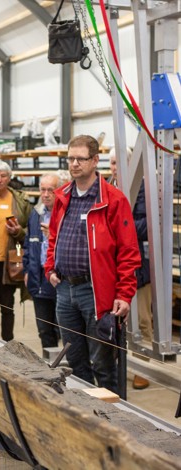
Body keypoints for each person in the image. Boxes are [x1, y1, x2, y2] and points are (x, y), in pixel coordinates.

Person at [44, 135, 140, 394]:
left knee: (103, 362)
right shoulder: (63, 196)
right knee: (74, 359)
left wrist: (124, 293)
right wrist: (50, 267)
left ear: (95, 160)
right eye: (70, 158)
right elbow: (53, 236)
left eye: (80, 159)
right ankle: (86, 414)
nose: (74, 164)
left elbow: (129, 251)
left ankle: (113, 420)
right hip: (65, 290)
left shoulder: (113, 200)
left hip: (96, 293)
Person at [109, 147, 151, 390]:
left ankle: (142, 366)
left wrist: (118, 226)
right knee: (114, 318)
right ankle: (118, 365)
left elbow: (147, 224)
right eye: (113, 163)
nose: (115, 167)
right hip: (110, 266)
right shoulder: (104, 187)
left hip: (137, 265)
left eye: (120, 162)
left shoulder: (143, 188)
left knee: (141, 318)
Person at [0, 161, 32, 341]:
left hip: (11, 261)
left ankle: (8, 344)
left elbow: (30, 232)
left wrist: (18, 231)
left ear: (9, 178)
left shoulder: (20, 201)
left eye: (3, 176)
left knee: (8, 306)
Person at [23, 173, 63, 351]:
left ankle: (70, 367)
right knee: (44, 329)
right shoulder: (36, 214)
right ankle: (50, 366)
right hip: (39, 278)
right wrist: (26, 270)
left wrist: (54, 234)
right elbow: (27, 243)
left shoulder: (65, 214)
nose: (46, 194)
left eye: (50, 190)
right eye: (43, 190)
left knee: (63, 329)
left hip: (59, 278)